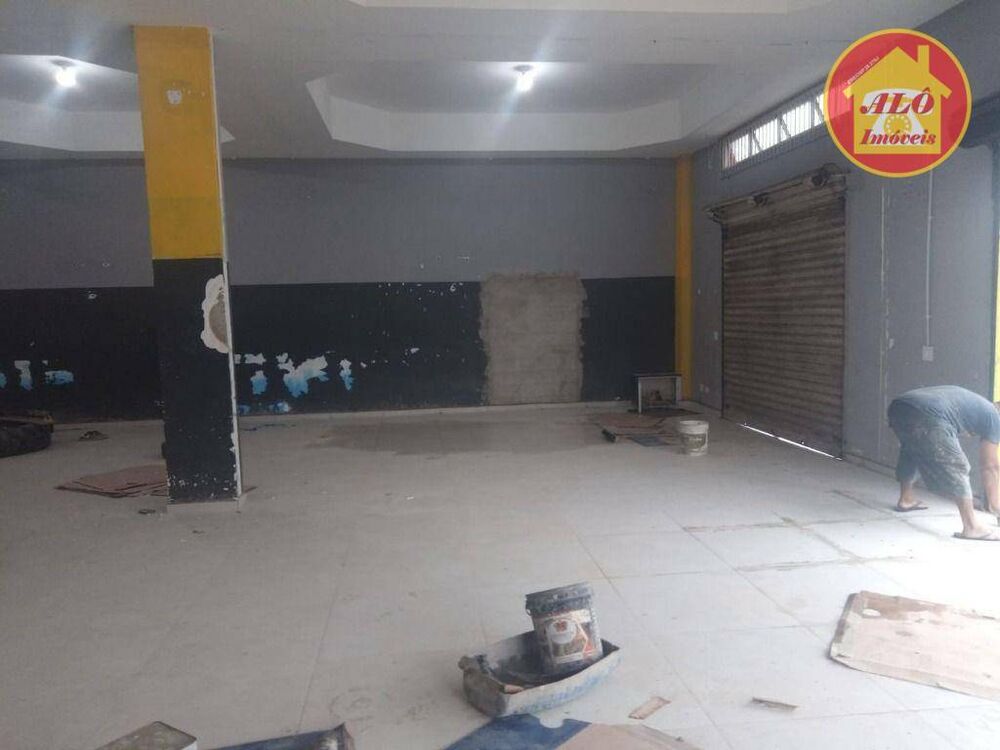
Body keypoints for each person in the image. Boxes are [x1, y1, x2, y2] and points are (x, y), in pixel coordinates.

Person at [888, 385, 1000, 541]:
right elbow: (990, 466)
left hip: (899, 407)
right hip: (928, 414)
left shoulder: (977, 405)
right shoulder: (994, 418)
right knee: (958, 466)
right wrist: (996, 506)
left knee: (911, 449)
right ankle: (971, 527)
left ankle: (906, 499)